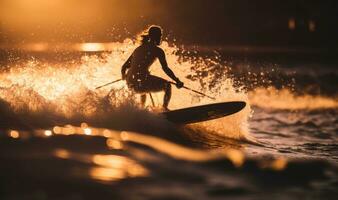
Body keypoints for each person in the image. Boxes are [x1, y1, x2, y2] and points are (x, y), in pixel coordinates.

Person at [121, 25, 184, 110]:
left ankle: (141, 110)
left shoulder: (138, 49)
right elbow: (165, 69)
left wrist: (124, 76)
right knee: (167, 85)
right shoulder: (158, 51)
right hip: (141, 83)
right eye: (160, 35)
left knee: (144, 88)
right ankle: (165, 108)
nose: (161, 38)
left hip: (131, 83)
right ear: (156, 37)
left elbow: (124, 67)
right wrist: (177, 81)